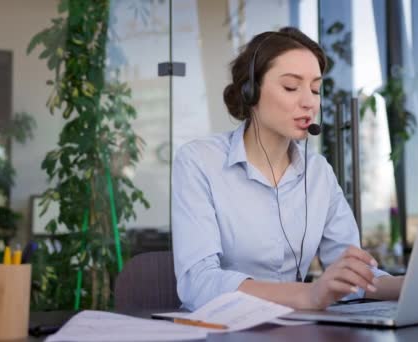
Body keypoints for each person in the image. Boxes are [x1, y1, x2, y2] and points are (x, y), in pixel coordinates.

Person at [172, 27, 403, 311]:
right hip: (219, 330)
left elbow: (351, 273)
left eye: (316, 89)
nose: (309, 102)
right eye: (291, 87)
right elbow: (199, 283)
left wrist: (410, 286)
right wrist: (308, 294)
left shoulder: (318, 173)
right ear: (251, 91)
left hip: (294, 329)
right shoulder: (199, 161)